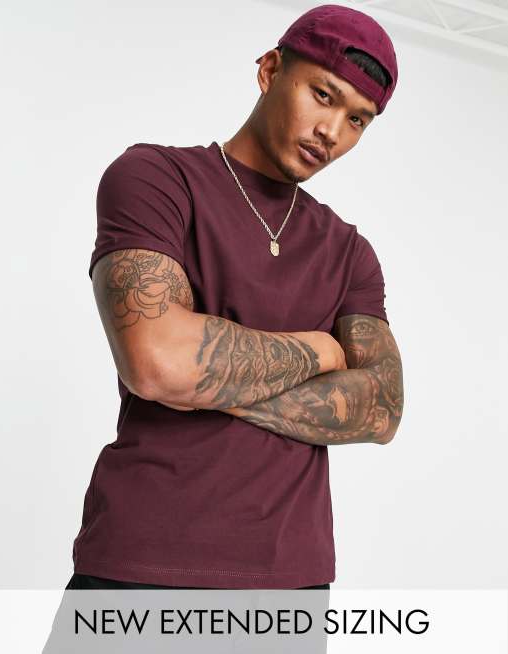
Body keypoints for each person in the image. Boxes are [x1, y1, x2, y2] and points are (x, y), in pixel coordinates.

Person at [67, 4, 404, 592]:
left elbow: (382, 408)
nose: (332, 132)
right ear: (270, 70)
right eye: (322, 95)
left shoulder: (350, 252)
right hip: (140, 563)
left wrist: (203, 381)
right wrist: (322, 352)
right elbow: (157, 363)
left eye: (357, 120)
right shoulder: (156, 179)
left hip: (291, 582)